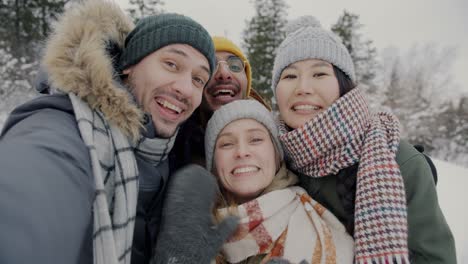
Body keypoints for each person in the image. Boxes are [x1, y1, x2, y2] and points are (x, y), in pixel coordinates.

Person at [0, 1, 237, 263]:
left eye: (198, 79)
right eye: (171, 64)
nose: (184, 88)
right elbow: (31, 193)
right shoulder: (64, 129)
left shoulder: (174, 153)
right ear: (129, 66)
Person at [271, 16, 456, 263]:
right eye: (290, 76)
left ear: (344, 85)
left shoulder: (400, 162)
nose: (303, 87)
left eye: (319, 73)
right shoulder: (269, 157)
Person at [204, 100, 354, 263]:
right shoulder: (191, 230)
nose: (242, 152)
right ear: (213, 165)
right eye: (226, 144)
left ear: (277, 155)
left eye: (255, 139)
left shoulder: (318, 227)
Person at [170, 36, 269, 169]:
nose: (224, 73)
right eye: (211, 66)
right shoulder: (169, 145)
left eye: (235, 65)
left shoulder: (277, 137)